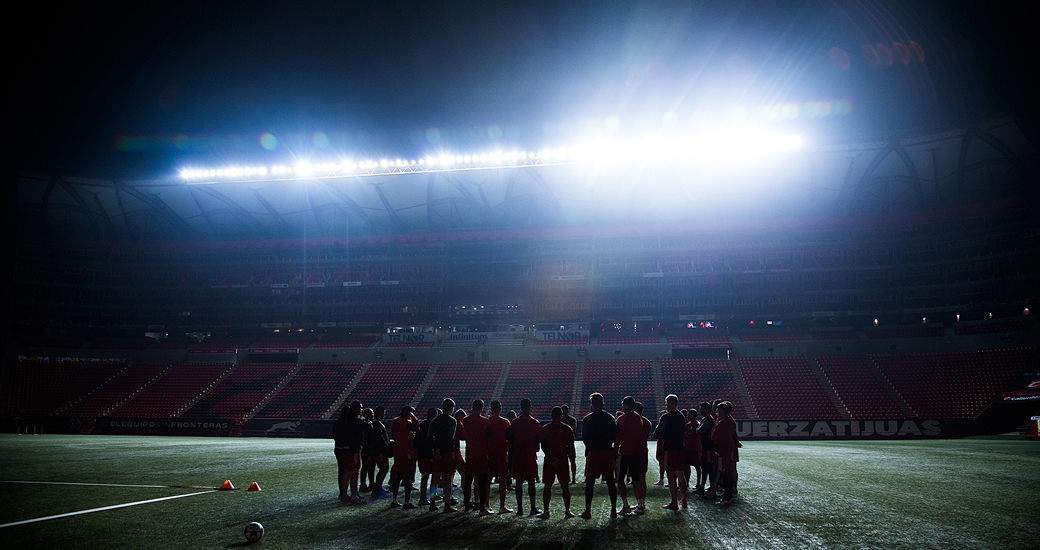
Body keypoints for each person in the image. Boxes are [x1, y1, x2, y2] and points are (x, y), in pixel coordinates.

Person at [579, 392, 619, 519]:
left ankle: (588, 510)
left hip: (594, 452)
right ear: (603, 403)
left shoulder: (587, 419)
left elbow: (584, 437)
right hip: (607, 451)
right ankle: (613, 509)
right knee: (610, 482)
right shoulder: (610, 418)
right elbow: (615, 434)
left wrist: (591, 446)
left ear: (592, 405)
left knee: (590, 482)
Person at [537, 406, 576, 519]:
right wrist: (559, 458)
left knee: (547, 486)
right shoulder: (567, 429)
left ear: (550, 416)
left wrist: (552, 458)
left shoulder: (545, 429)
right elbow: (569, 446)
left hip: (549, 461)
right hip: (562, 461)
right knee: (565, 486)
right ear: (561, 416)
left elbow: (543, 446)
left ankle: (546, 511)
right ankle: (567, 511)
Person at [615, 396, 651, 515]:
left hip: (624, 452)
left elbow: (617, 436)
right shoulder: (638, 418)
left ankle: (625, 505)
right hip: (636, 452)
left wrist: (615, 451)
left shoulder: (621, 419)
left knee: (620, 479)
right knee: (636, 478)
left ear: (625, 405)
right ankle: (640, 505)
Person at [507, 398, 542, 516]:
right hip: (530, 455)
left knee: (518, 482)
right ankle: (532, 507)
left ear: (520, 408)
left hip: (518, 455)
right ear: (530, 408)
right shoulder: (535, 423)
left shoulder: (515, 423)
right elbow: (538, 442)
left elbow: (510, 438)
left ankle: (520, 509)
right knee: (531, 481)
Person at [655, 394, 687, 510]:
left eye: (667, 403)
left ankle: (674, 502)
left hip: (669, 448)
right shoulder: (681, 417)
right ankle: (684, 498)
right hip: (680, 447)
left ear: (672, 403)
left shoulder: (666, 417)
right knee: (681, 475)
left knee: (671, 476)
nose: (667, 406)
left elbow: (658, 431)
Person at [332, 400, 367, 504]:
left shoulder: (347, 420)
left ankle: (345, 494)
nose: (361, 410)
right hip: (353, 449)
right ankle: (353, 495)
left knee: (346, 473)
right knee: (353, 473)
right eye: (360, 407)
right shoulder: (356, 420)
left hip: (346, 449)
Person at [462, 399, 493, 515]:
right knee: (481, 481)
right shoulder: (485, 421)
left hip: (470, 453)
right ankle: (482, 508)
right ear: (482, 408)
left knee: (468, 481)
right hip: (481, 454)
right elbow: (490, 436)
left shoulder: (466, 420)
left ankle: (466, 506)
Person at [430, 398, 459, 512]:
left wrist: (436, 450)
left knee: (434, 480)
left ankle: (432, 503)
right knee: (447, 481)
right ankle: (447, 504)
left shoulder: (435, 420)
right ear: (451, 408)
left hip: (436, 453)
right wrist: (442, 452)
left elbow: (430, 437)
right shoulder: (452, 421)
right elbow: (449, 439)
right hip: (446, 453)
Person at [486, 399, 514, 513]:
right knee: (502, 480)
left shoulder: (487, 422)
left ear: (490, 409)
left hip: (489, 454)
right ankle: (502, 506)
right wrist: (505, 449)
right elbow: (510, 439)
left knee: (487, 480)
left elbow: (485, 438)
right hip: (502, 454)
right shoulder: (506, 422)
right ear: (500, 409)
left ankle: (486, 504)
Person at [389, 406, 419, 508]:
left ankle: (394, 500)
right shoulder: (404, 421)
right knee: (408, 476)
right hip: (406, 452)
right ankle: (406, 502)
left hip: (398, 451)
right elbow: (416, 428)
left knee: (399, 475)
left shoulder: (395, 420)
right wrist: (414, 417)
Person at [711, 401, 738, 506]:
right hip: (726, 449)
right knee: (726, 473)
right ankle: (728, 496)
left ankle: (727, 498)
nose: (717, 413)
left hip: (723, 450)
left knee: (725, 473)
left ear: (722, 411)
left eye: (718, 411)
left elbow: (714, 436)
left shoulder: (723, 422)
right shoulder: (729, 421)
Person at [416, 407, 439, 506]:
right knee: (434, 477)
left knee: (424, 477)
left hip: (422, 454)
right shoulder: (433, 425)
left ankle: (424, 497)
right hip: (429, 454)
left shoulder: (422, 424)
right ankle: (430, 497)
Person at [369, 406, 392, 498]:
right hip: (380, 451)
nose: (383, 415)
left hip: (381, 450)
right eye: (382, 413)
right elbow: (379, 438)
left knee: (384, 468)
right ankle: (377, 488)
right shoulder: (376, 424)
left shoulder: (378, 423)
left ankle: (377, 487)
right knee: (384, 468)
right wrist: (386, 447)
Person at [696, 402, 717, 499]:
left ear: (708, 410)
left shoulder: (708, 420)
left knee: (709, 468)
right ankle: (702, 486)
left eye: (702, 409)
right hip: (705, 447)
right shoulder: (705, 419)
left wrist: (697, 430)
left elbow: (700, 431)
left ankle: (712, 489)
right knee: (705, 467)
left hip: (709, 447)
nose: (700, 411)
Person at [683, 408, 703, 495]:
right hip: (688, 449)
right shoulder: (688, 425)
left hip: (695, 449)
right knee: (687, 466)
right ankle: (686, 482)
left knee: (697, 466)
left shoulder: (697, 425)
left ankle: (699, 483)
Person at [560, 404, 578, 483]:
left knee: (572, 461)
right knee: (563, 462)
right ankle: (565, 478)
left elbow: (573, 431)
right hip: (562, 443)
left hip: (569, 443)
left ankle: (573, 478)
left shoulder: (572, 420)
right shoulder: (562, 420)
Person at [359, 407, 376, 492]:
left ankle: (370, 483)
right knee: (366, 467)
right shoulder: (366, 424)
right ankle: (364, 484)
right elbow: (367, 438)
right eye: (370, 414)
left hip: (368, 448)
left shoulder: (369, 423)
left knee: (370, 467)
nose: (372, 415)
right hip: (367, 449)